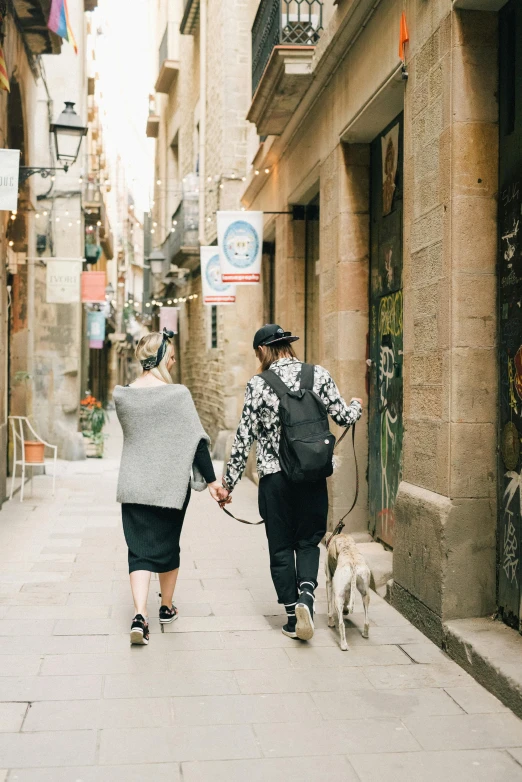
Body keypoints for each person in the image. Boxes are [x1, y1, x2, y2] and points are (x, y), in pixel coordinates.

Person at [221, 324, 363, 641]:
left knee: (281, 545)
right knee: (308, 541)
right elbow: (343, 417)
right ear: (288, 346)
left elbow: (243, 439)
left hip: (274, 479)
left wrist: (228, 485)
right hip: (312, 475)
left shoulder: (257, 385)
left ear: (262, 351)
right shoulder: (319, 375)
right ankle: (307, 597)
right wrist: (356, 405)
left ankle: (291, 616)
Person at [114, 329, 227, 645]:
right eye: (172, 356)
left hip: (134, 485)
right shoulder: (178, 395)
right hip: (170, 488)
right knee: (167, 545)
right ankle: (165, 607)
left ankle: (140, 615)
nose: (175, 363)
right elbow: (196, 443)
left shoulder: (123, 395)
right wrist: (214, 483)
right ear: (162, 357)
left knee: (138, 551)